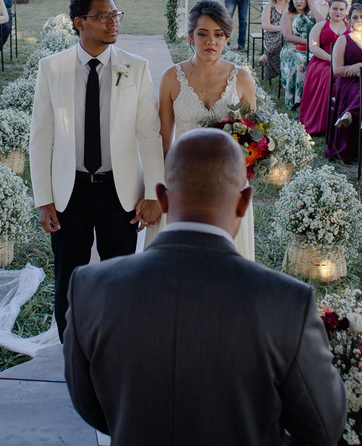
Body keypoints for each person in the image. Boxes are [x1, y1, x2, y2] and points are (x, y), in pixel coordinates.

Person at [63, 127, 347, 446]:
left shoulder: (90, 289)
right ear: (244, 203)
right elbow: (324, 426)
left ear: (163, 198)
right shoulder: (287, 303)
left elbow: (91, 407)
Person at [29, 0, 164, 337]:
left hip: (119, 190)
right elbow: (40, 138)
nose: (113, 22)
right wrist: (44, 199)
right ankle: (70, 345)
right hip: (68, 191)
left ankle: (118, 344)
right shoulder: (52, 68)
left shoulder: (136, 68)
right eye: (103, 16)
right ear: (79, 23)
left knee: (121, 276)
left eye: (115, 15)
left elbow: (150, 136)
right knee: (69, 277)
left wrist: (153, 193)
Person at [152, 0, 258, 259]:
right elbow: (162, 141)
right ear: (191, 37)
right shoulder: (171, 78)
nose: (211, 41)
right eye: (203, 34)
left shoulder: (242, 79)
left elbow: (253, 136)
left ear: (226, 38)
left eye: (218, 35)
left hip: (228, 182)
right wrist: (157, 189)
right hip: (183, 181)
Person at [324, 2, 362, 163]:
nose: (359, 20)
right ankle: (349, 116)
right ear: (349, 20)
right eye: (355, 17)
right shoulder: (344, 39)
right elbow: (337, 69)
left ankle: (350, 114)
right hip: (348, 82)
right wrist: (352, 69)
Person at [299, 0, 347, 135]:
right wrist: (331, 58)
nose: (338, 12)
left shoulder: (350, 27)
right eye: (335, 8)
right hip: (322, 61)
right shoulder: (320, 26)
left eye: (341, 9)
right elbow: (313, 47)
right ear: (329, 9)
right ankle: (323, 120)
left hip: (344, 62)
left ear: (346, 11)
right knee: (329, 74)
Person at [280, 0, 313, 109]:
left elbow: (324, 25)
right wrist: (307, 42)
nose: (298, 1)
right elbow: (287, 36)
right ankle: (296, 99)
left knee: (317, 62)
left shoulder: (312, 15)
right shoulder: (288, 15)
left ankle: (313, 99)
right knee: (300, 61)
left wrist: (314, 6)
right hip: (292, 48)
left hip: (311, 48)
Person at [259, 0, 290, 83]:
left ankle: (266, 55)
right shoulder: (269, 6)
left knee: (284, 36)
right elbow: (265, 25)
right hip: (271, 36)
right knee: (283, 34)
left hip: (286, 38)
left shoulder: (291, 7)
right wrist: (281, 28)